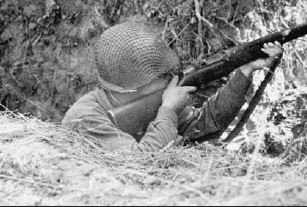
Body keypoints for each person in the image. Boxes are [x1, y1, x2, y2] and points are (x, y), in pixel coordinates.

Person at [62, 22, 283, 152]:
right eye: (161, 76)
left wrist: (244, 72)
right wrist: (167, 111)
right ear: (133, 88)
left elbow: (206, 125)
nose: (171, 79)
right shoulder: (85, 118)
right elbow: (138, 163)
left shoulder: (154, 100)